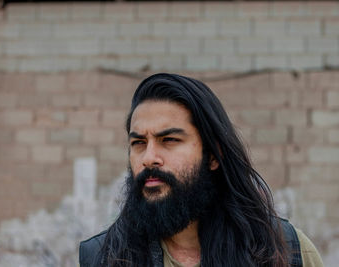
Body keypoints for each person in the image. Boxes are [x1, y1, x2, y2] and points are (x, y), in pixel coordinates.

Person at [79, 73, 323, 267]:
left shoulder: (284, 251)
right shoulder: (102, 259)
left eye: (169, 140)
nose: (149, 158)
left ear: (213, 156)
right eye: (138, 143)